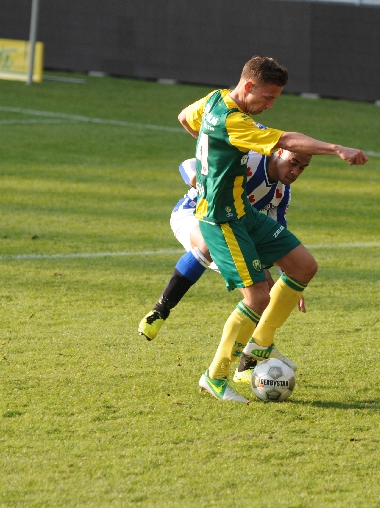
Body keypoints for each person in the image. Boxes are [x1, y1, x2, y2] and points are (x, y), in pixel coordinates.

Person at [178, 55, 368, 402]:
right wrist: (336, 148)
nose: (269, 105)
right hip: (222, 219)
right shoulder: (231, 120)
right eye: (267, 97)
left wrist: (208, 148)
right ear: (248, 86)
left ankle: (259, 347)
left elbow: (184, 118)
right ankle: (215, 376)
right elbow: (287, 141)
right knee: (258, 297)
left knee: (303, 266)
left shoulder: (213, 99)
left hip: (244, 212)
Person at [138, 148, 312, 382]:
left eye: (302, 168)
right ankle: (160, 311)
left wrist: (289, 279)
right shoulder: (249, 159)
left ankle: (246, 364)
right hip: (193, 214)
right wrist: (204, 186)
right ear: (278, 152)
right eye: (293, 163)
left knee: (266, 295)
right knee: (209, 245)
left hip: (232, 231)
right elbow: (188, 164)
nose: (295, 172)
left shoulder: (281, 193)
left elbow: (276, 237)